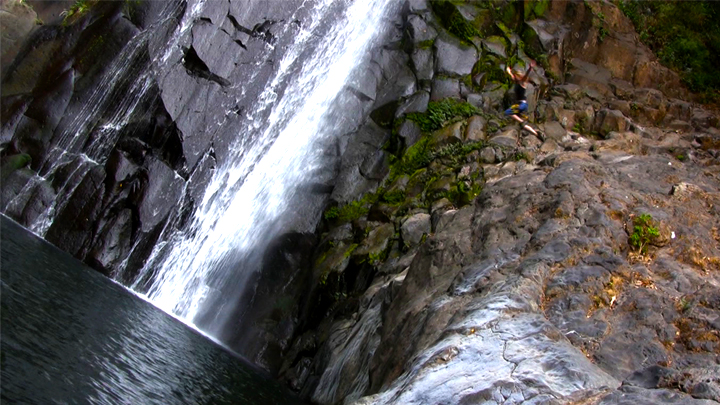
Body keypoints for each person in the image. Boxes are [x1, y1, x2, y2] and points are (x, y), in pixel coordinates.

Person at [504, 60, 542, 139]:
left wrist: (530, 68)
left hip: (522, 105)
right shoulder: (517, 82)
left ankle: (522, 122)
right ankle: (536, 134)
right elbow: (512, 76)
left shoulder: (523, 82)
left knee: (508, 112)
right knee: (522, 126)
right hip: (521, 105)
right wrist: (509, 71)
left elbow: (525, 76)